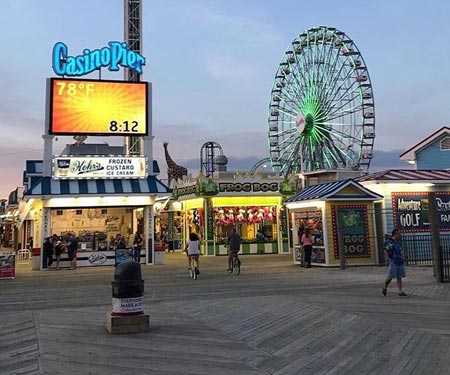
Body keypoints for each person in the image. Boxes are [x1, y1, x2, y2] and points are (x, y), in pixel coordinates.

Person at [382, 229, 407, 297]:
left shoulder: (398, 242)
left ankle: (400, 291)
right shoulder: (389, 242)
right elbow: (386, 251)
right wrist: (388, 260)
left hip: (399, 261)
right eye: (398, 234)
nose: (400, 235)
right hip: (393, 261)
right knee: (390, 277)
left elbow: (400, 251)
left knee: (399, 277)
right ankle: (385, 287)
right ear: (395, 234)